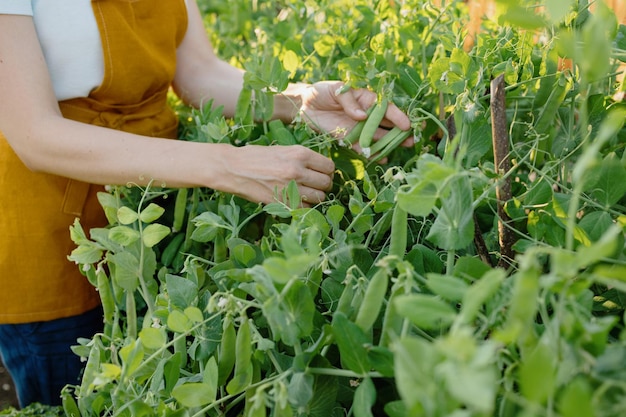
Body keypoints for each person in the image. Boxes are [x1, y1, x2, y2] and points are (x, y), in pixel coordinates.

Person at [0, 0, 412, 408]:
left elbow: (198, 72)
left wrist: (299, 101)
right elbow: (36, 135)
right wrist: (230, 165)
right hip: (47, 227)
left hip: (156, 207)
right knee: (76, 393)